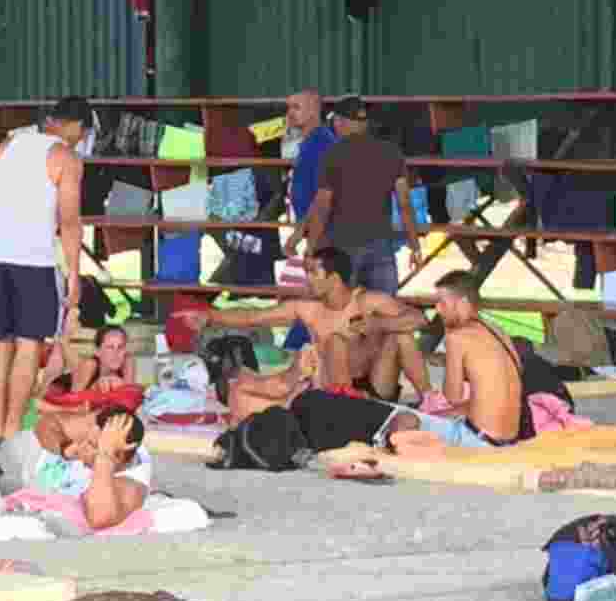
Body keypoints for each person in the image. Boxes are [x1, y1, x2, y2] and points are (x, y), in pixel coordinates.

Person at [177, 247, 432, 419]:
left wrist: (377, 325)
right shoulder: (306, 308)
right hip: (336, 392)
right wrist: (210, 316)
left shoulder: (368, 301)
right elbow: (252, 316)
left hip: (376, 385)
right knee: (334, 342)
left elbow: (419, 319)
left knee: (402, 334)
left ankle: (430, 400)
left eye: (313, 273)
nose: (307, 279)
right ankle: (347, 410)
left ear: (334, 278)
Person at [0, 96, 89, 441]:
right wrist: (73, 274)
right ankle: (10, 428)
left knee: (1, 344)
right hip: (33, 261)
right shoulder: (65, 158)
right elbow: (69, 222)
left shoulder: (9, 144)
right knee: (28, 345)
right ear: (76, 127)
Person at [297, 94, 423, 295]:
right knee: (384, 311)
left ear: (339, 122)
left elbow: (322, 206)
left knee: (345, 313)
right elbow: (405, 204)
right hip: (381, 245)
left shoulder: (332, 155)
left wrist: (311, 248)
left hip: (343, 248)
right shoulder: (391, 152)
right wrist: (415, 245)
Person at [388, 270, 529, 448]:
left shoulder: (457, 337)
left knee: (400, 418)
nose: (437, 309)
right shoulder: (498, 331)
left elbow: (452, 396)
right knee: (445, 414)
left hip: (477, 440)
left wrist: (449, 335)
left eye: (442, 302)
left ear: (463, 303)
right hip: (508, 440)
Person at [0, 407, 151, 530]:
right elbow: (48, 422)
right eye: (87, 439)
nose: (82, 445)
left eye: (92, 445)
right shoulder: (99, 428)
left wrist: (104, 456)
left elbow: (99, 519)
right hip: (19, 454)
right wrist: (64, 447)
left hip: (20, 487)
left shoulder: (133, 484)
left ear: (117, 458)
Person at [282, 89, 339, 353]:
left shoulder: (322, 143)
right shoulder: (309, 142)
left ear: (314, 110)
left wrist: (303, 235)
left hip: (324, 228)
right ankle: (300, 344)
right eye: (289, 107)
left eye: (296, 107)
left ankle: (297, 345)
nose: (290, 113)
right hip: (314, 227)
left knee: (315, 291)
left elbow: (321, 196)